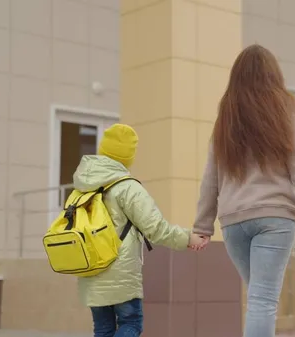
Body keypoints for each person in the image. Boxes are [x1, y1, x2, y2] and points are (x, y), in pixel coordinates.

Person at [191, 44, 295, 337]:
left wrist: (203, 225)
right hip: (274, 217)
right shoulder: (286, 109)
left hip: (233, 223)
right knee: (262, 299)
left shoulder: (226, 119)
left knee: (257, 297)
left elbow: (210, 177)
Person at [73, 123, 203, 337]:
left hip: (90, 270)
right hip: (120, 273)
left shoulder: (83, 186)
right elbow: (156, 229)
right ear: (128, 156)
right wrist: (188, 238)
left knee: (103, 329)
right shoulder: (127, 187)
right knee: (131, 323)